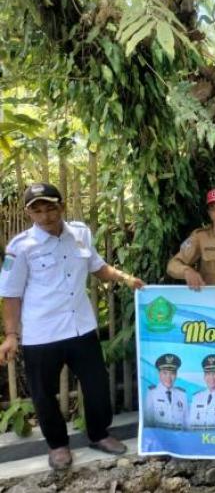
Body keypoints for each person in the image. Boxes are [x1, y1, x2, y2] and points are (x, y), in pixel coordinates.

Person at [0, 183, 144, 470]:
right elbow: (11, 294)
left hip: (81, 327)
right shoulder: (20, 248)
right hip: (42, 333)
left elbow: (97, 267)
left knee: (97, 386)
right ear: (29, 213)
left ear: (61, 206)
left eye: (50, 208)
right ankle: (58, 446)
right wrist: (11, 335)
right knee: (43, 394)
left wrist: (125, 278)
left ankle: (99, 434)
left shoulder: (80, 234)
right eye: (37, 211)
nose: (45, 216)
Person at [145, 353, 188, 430]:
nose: (168, 377)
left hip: (179, 436)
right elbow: (148, 423)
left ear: (176, 375)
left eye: (172, 373)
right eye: (165, 373)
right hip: (160, 437)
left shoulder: (182, 394)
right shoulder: (152, 393)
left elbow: (186, 423)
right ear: (159, 374)